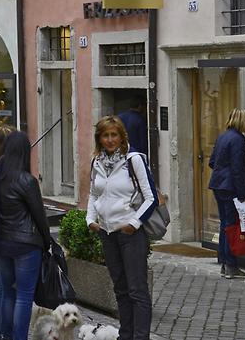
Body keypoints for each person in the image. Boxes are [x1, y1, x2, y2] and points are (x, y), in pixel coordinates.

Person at [86, 115, 154, 340]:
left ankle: (140, 336)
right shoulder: (96, 162)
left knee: (137, 290)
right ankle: (126, 335)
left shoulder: (133, 160)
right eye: (105, 135)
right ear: (99, 138)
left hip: (130, 234)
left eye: (114, 135)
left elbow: (150, 197)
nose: (110, 139)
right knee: (120, 289)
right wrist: (90, 219)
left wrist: (134, 224)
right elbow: (93, 193)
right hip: (107, 233)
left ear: (122, 136)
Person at [0, 131, 51, 340]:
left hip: (0, 242)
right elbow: (39, 216)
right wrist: (47, 242)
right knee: (24, 296)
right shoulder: (27, 181)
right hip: (26, 244)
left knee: (8, 293)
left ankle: (5, 335)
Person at [208, 108, 245, 280]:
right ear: (242, 121)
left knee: (225, 224)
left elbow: (212, 162)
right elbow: (237, 169)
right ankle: (231, 265)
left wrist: (222, 171)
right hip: (230, 187)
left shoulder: (223, 136)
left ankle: (225, 262)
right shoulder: (238, 140)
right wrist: (243, 192)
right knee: (231, 226)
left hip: (219, 184)